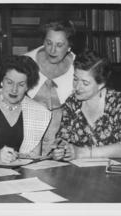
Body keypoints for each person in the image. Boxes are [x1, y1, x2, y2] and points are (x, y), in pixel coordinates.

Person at [52, 50, 121, 161]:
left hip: (112, 172)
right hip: (80, 172)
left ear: (101, 84)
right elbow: (63, 139)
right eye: (75, 79)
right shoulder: (72, 103)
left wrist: (81, 152)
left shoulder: (117, 101)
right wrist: (61, 150)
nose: (77, 87)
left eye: (85, 83)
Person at [25, 19, 76, 155]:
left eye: (59, 45)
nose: (52, 50)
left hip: (61, 141)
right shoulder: (26, 62)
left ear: (69, 47)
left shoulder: (78, 67)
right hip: (28, 137)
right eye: (49, 43)